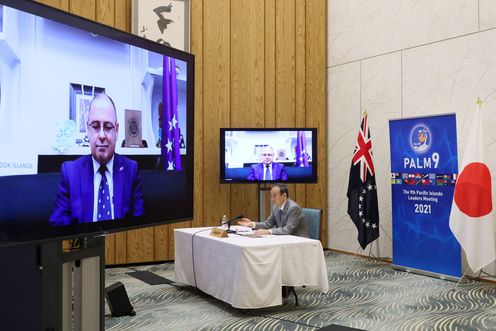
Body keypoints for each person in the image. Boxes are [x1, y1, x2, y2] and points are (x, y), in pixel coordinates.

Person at [50, 93, 144, 226]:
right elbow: (59, 229)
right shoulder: (70, 173)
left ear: (117, 131)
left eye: (108, 127)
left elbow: (139, 227)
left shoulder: (131, 170)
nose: (101, 135)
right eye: (95, 126)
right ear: (88, 129)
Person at [237, 183, 308, 237]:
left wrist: (268, 232)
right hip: (285, 239)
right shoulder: (276, 207)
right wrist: (252, 224)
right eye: (271, 195)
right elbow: (268, 224)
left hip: (298, 241)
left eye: (274, 195)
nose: (272, 199)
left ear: (284, 196)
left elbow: (288, 230)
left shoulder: (293, 208)